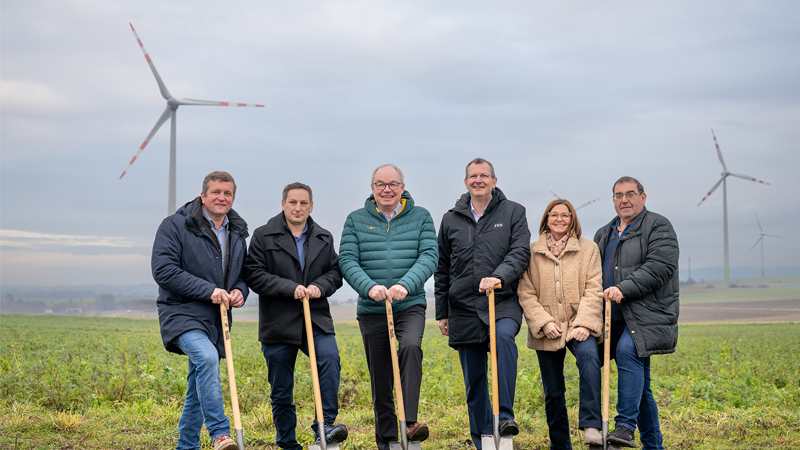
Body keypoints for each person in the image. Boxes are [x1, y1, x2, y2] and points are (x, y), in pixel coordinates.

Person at [339, 164, 438, 450]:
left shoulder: (420, 217)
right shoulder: (356, 220)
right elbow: (347, 259)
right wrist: (369, 287)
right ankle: (387, 441)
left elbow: (429, 254)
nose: (387, 189)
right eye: (380, 184)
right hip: (372, 309)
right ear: (372, 189)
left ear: (402, 187)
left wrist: (406, 284)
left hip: (409, 304)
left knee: (409, 346)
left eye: (393, 184)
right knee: (381, 376)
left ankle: (409, 423)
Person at [434, 158, 531, 449]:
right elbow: (442, 268)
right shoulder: (451, 218)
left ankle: (504, 418)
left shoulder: (514, 212)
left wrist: (498, 277)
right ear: (466, 183)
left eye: (484, 176)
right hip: (462, 306)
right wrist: (442, 312)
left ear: (494, 181)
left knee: (503, 338)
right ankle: (483, 440)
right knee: (474, 380)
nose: (478, 180)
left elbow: (519, 253)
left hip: (501, 301)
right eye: (473, 176)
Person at [242, 182, 347, 450]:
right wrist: (290, 288)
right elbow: (254, 273)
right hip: (278, 322)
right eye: (293, 202)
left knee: (329, 359)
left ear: (311, 206)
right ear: (283, 204)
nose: (298, 207)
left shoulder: (323, 237)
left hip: (315, 319)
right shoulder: (263, 236)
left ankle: (324, 428)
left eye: (303, 203)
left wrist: (319, 286)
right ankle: (287, 443)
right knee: (281, 388)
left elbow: (335, 274)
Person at [152, 171, 248, 450]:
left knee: (198, 382)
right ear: (203, 196)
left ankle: (187, 446)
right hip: (181, 311)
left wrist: (241, 290)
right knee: (206, 358)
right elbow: (164, 271)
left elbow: (242, 273)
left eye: (227, 193)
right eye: (216, 192)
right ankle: (220, 433)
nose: (222, 197)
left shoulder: (237, 231)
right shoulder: (174, 225)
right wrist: (209, 290)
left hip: (217, 319)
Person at [594, 176, 679, 450]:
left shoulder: (658, 225)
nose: (624, 200)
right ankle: (654, 446)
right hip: (611, 316)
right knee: (642, 388)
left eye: (630, 194)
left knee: (628, 352)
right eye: (618, 195)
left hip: (646, 314)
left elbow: (660, 266)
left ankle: (624, 428)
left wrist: (623, 288)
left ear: (643, 197)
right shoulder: (603, 233)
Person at [518, 199, 604, 449]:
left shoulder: (589, 249)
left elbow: (593, 288)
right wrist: (543, 323)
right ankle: (560, 444)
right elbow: (526, 292)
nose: (559, 219)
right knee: (553, 391)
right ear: (546, 219)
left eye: (565, 215)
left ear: (572, 219)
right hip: (548, 329)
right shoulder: (532, 251)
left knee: (589, 360)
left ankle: (591, 426)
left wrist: (584, 325)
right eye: (554, 215)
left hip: (579, 325)